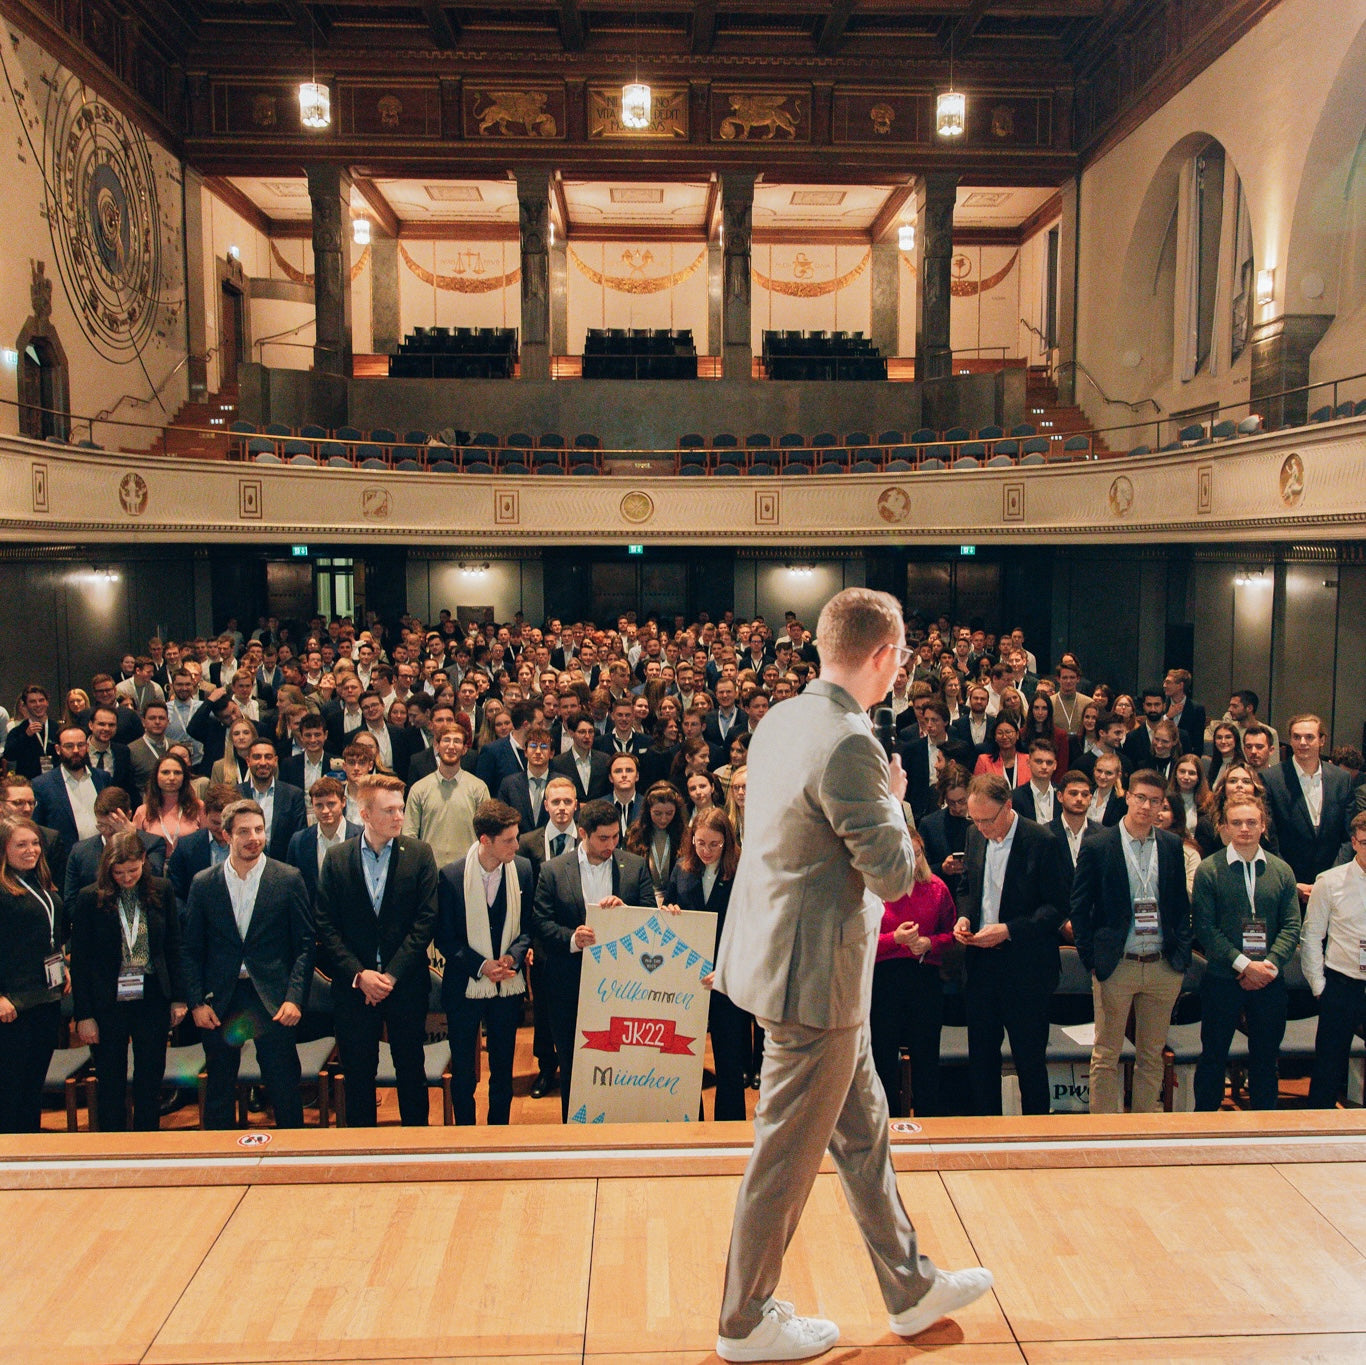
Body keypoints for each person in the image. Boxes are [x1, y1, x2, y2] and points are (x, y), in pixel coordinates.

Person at [713, 589, 990, 1363]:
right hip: (814, 982)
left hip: (799, 963)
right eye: (902, 657)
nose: (903, 668)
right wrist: (895, 801)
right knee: (784, 1153)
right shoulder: (850, 743)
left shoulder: (781, 718)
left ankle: (910, 1287)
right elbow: (895, 874)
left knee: (864, 1132)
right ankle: (744, 1319)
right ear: (885, 655)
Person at [181, 799, 314, 1129]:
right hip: (220, 999)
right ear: (226, 835)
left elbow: (305, 946)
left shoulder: (288, 878)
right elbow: (191, 949)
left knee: (284, 1087)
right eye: (244, 831)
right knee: (219, 1089)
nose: (253, 838)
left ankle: (293, 1153)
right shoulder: (203, 883)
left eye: (259, 829)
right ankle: (220, 1157)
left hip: (273, 999)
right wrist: (196, 1002)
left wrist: (294, 998)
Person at [314, 774, 438, 1126]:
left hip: (406, 984)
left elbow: (426, 921)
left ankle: (416, 1143)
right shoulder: (337, 858)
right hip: (355, 989)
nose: (399, 816)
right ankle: (362, 1147)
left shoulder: (419, 854)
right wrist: (360, 975)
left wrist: (390, 976)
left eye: (401, 808)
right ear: (365, 814)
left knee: (411, 1070)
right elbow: (325, 925)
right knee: (358, 1074)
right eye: (389, 810)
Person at [1070, 769, 1193, 1115]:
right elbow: (1079, 907)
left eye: (1155, 801)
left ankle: (1143, 1128)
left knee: (1151, 1056)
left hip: (1162, 966)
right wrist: (1092, 960)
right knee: (1106, 1054)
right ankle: (1105, 1132)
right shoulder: (1098, 844)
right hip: (1117, 964)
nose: (1147, 806)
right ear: (1128, 797)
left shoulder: (1171, 845)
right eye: (1141, 798)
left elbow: (1180, 907)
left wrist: (1181, 958)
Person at [529, 798, 655, 1123]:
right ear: (583, 833)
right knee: (573, 1065)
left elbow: (650, 919)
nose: (611, 845)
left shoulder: (635, 866)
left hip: (623, 987)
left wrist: (626, 914)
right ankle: (575, 1135)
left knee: (623, 1063)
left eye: (616, 837)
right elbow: (540, 923)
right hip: (568, 983)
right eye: (603, 838)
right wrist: (573, 939)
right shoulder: (553, 870)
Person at [955, 772, 1069, 1116]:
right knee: (981, 1061)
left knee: (1029, 1061)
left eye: (987, 820)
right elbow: (966, 886)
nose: (981, 828)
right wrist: (965, 917)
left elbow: (1057, 908)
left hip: (1026, 968)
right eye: (974, 820)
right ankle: (987, 1132)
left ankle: (1035, 1135)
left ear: (1007, 806)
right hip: (981, 966)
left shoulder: (1042, 841)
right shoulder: (974, 835)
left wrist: (1009, 930)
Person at [70, 831, 187, 1131]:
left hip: (152, 995)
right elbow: (81, 961)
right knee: (111, 1079)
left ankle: (147, 1140)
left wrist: (179, 997)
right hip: (108, 1000)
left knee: (150, 1076)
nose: (126, 878)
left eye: (132, 870)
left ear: (144, 861)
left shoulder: (162, 889)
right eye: (118, 872)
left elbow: (173, 946)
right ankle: (113, 1143)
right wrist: (84, 1015)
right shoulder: (89, 898)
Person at [1192, 795, 1301, 1111]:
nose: (1244, 828)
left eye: (1251, 822)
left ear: (1263, 826)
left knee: (1266, 1058)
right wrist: (1244, 965)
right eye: (1236, 822)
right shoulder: (1209, 870)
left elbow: (1292, 926)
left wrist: (1268, 966)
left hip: (1269, 979)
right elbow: (1205, 928)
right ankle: (1204, 1124)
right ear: (1224, 827)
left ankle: (1263, 1126)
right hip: (1223, 978)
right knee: (1213, 1055)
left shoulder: (1281, 871)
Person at [436, 799, 535, 1126]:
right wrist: (481, 965)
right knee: (464, 1071)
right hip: (464, 987)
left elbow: (528, 928)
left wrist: (513, 957)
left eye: (516, 837)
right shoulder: (451, 876)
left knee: (503, 1070)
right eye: (509, 840)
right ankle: (465, 1133)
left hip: (507, 986)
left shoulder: (523, 869)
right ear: (485, 840)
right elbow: (445, 938)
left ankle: (498, 1133)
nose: (516, 845)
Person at [663, 807, 747, 1120]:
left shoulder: (742, 873)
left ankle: (730, 1127)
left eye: (714, 844)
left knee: (729, 1060)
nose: (706, 851)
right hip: (689, 979)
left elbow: (751, 930)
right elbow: (669, 910)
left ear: (727, 843)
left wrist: (726, 969)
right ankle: (690, 1123)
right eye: (700, 843)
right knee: (685, 1057)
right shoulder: (682, 869)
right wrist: (669, 912)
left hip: (727, 979)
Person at [870, 829, 956, 1118]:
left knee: (926, 1057)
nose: (912, 860)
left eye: (917, 854)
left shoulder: (937, 888)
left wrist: (930, 943)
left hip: (924, 979)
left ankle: (928, 1120)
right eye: (905, 854)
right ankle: (889, 1123)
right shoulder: (873, 890)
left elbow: (952, 935)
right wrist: (894, 939)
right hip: (883, 981)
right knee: (883, 1057)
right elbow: (859, 942)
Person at [0, 817, 66, 1133]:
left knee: (32, 1087)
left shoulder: (38, 882)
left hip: (45, 999)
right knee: (10, 1091)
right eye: (21, 845)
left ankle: (30, 1150)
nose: (31, 850)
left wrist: (62, 967)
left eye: (35, 843)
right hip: (13, 1004)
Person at [517, 774, 579, 1100]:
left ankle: (578, 1068)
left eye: (567, 801)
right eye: (556, 802)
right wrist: (527, 942)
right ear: (546, 805)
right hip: (541, 942)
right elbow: (522, 898)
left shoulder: (587, 839)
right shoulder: (528, 843)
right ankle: (545, 1067)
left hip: (580, 939)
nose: (562, 807)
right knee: (543, 1010)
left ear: (576, 805)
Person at [1302, 812, 1366, 1108]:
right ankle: (1318, 1129)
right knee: (1328, 1066)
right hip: (1341, 984)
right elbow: (1312, 936)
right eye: (1365, 842)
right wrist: (1318, 985)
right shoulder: (1329, 882)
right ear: (1354, 842)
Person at [1262, 714, 1354, 904]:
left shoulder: (1341, 779)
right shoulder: (1272, 779)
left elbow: (1348, 836)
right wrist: (1290, 881)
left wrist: (1331, 878)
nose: (1302, 742)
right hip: (1289, 885)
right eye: (1296, 737)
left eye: (1309, 737)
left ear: (1322, 740)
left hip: (1334, 884)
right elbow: (1270, 837)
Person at [402, 727, 490, 870]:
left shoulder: (479, 788)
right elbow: (409, 836)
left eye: (457, 741)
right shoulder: (419, 789)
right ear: (437, 746)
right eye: (446, 740)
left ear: (464, 749)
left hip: (468, 870)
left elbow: (487, 833)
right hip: (429, 871)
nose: (451, 746)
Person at [64, 786, 167, 905]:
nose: (107, 832)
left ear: (129, 815)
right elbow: (71, 902)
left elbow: (153, 879)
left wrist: (132, 839)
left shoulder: (152, 843)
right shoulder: (80, 851)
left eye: (113, 826)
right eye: (102, 825)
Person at [285, 776, 361, 909]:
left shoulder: (361, 837)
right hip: (313, 916)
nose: (325, 811)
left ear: (343, 802)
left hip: (352, 914)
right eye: (319, 805)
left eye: (331, 804)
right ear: (312, 805)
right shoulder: (299, 841)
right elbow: (292, 887)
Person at [238, 738, 307, 861]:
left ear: (275, 761)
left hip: (282, 866)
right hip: (244, 864)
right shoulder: (236, 794)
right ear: (248, 761)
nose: (263, 762)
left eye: (268, 757)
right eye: (257, 757)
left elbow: (299, 839)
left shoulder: (293, 795)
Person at [625, 780, 687, 901]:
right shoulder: (634, 834)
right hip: (644, 898)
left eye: (669, 813)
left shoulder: (685, 834)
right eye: (657, 813)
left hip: (675, 901)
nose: (663, 819)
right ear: (648, 810)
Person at [134, 753, 205, 854]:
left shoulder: (198, 806)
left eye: (177, 773)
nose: (172, 777)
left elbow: (206, 844)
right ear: (156, 776)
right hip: (154, 863)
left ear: (184, 777)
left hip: (190, 863)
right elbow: (136, 850)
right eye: (165, 772)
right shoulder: (143, 811)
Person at [724, 764, 747, 845]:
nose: (740, 792)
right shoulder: (727, 823)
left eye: (745, 787)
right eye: (736, 787)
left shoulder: (764, 821)